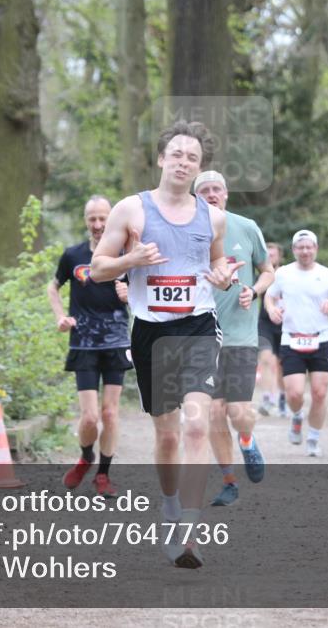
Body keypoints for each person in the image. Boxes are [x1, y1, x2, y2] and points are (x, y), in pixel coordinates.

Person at [91, 121, 240, 569]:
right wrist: (130, 260)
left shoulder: (212, 217)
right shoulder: (131, 211)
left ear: (199, 168)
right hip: (151, 333)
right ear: (161, 159)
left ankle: (189, 533)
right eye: (176, 154)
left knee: (196, 426)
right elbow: (98, 268)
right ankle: (171, 503)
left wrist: (224, 276)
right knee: (168, 436)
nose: (183, 162)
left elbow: (218, 262)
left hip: (197, 325)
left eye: (191, 158)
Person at [194, 170, 274, 508]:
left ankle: (246, 438)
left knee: (238, 411)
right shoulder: (188, 234)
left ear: (226, 194)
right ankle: (229, 481)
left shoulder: (246, 226)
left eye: (217, 189)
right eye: (205, 190)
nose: (212, 194)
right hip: (201, 337)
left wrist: (253, 291)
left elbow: (268, 270)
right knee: (213, 413)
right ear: (196, 197)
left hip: (240, 336)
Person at [47, 195, 132, 496]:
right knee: (90, 417)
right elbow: (53, 287)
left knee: (110, 414)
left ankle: (103, 475)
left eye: (102, 219)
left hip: (117, 341)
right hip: (83, 342)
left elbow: (145, 293)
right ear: (86, 221)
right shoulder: (73, 255)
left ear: (112, 219)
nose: (97, 225)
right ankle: (86, 456)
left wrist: (129, 295)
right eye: (92, 219)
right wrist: (60, 317)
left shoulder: (126, 255)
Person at [264, 230, 328, 457]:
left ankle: (313, 438)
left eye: (309, 247)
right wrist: (272, 309)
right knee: (294, 394)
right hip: (292, 340)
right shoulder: (283, 274)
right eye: (300, 247)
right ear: (294, 250)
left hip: (320, 340)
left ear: (316, 249)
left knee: (319, 393)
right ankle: (296, 415)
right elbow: (269, 295)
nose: (305, 251)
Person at [257, 242, 287, 417]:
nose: (270, 258)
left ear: (279, 257)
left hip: (285, 323)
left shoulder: (289, 273)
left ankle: (283, 398)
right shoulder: (261, 275)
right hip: (265, 322)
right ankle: (268, 398)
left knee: (283, 364)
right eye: (267, 255)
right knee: (266, 358)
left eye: (273, 255)